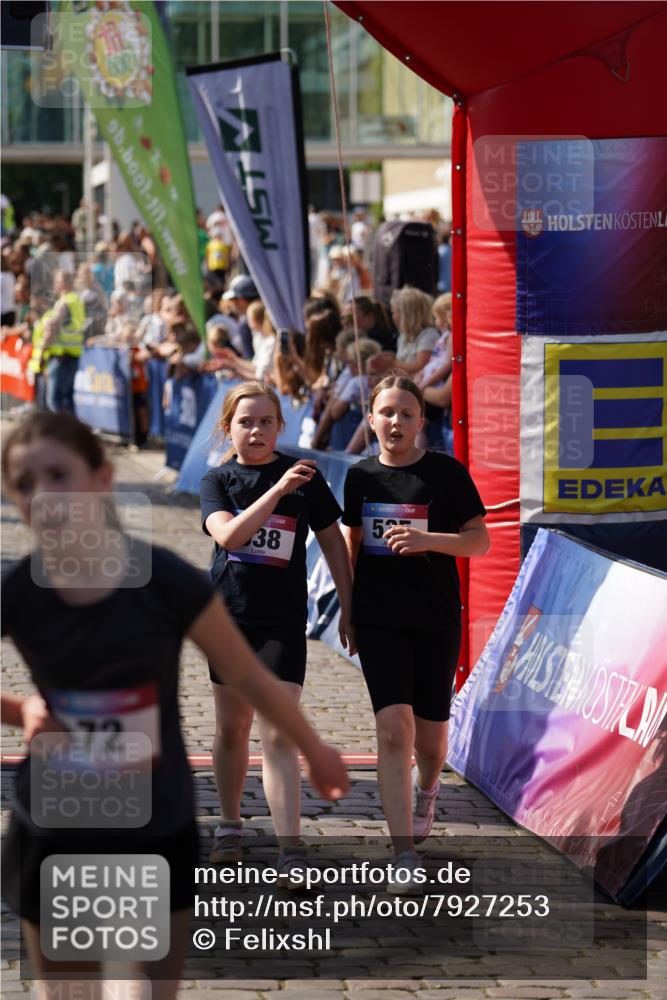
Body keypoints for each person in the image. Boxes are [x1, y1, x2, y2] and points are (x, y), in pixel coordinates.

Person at [1, 410, 348, 1000]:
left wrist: (313, 747)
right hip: (55, 818)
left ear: (102, 477)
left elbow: (247, 674)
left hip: (152, 818)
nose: (45, 495)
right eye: (25, 483)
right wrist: (20, 712)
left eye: (60, 475)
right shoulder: (18, 589)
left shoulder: (165, 580)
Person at [342, 372, 489, 892]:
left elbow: (479, 543)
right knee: (393, 731)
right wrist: (347, 608)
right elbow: (352, 544)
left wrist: (431, 540)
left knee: (430, 741)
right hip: (380, 618)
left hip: (435, 618)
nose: (396, 422)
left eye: (407, 413)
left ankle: (427, 788)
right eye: (387, 413)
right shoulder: (359, 477)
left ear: (421, 421)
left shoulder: (445, 473)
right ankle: (402, 850)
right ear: (372, 418)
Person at [199, 382, 355, 873]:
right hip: (230, 620)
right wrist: (278, 490)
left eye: (266, 421)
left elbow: (332, 543)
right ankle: (230, 825)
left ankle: (291, 847)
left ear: (279, 426)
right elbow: (230, 534)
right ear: (229, 428)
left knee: (279, 732)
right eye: (246, 422)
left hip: (283, 621)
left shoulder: (305, 477)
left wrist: (348, 605)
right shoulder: (218, 481)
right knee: (232, 728)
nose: (257, 430)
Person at [39, 270, 86, 414]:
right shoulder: (77, 300)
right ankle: (72, 434)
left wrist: (42, 351)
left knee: (55, 401)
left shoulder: (64, 301)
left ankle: (61, 435)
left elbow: (52, 329)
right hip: (73, 356)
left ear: (64, 283)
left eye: (57, 281)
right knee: (67, 400)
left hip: (61, 358)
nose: (54, 285)